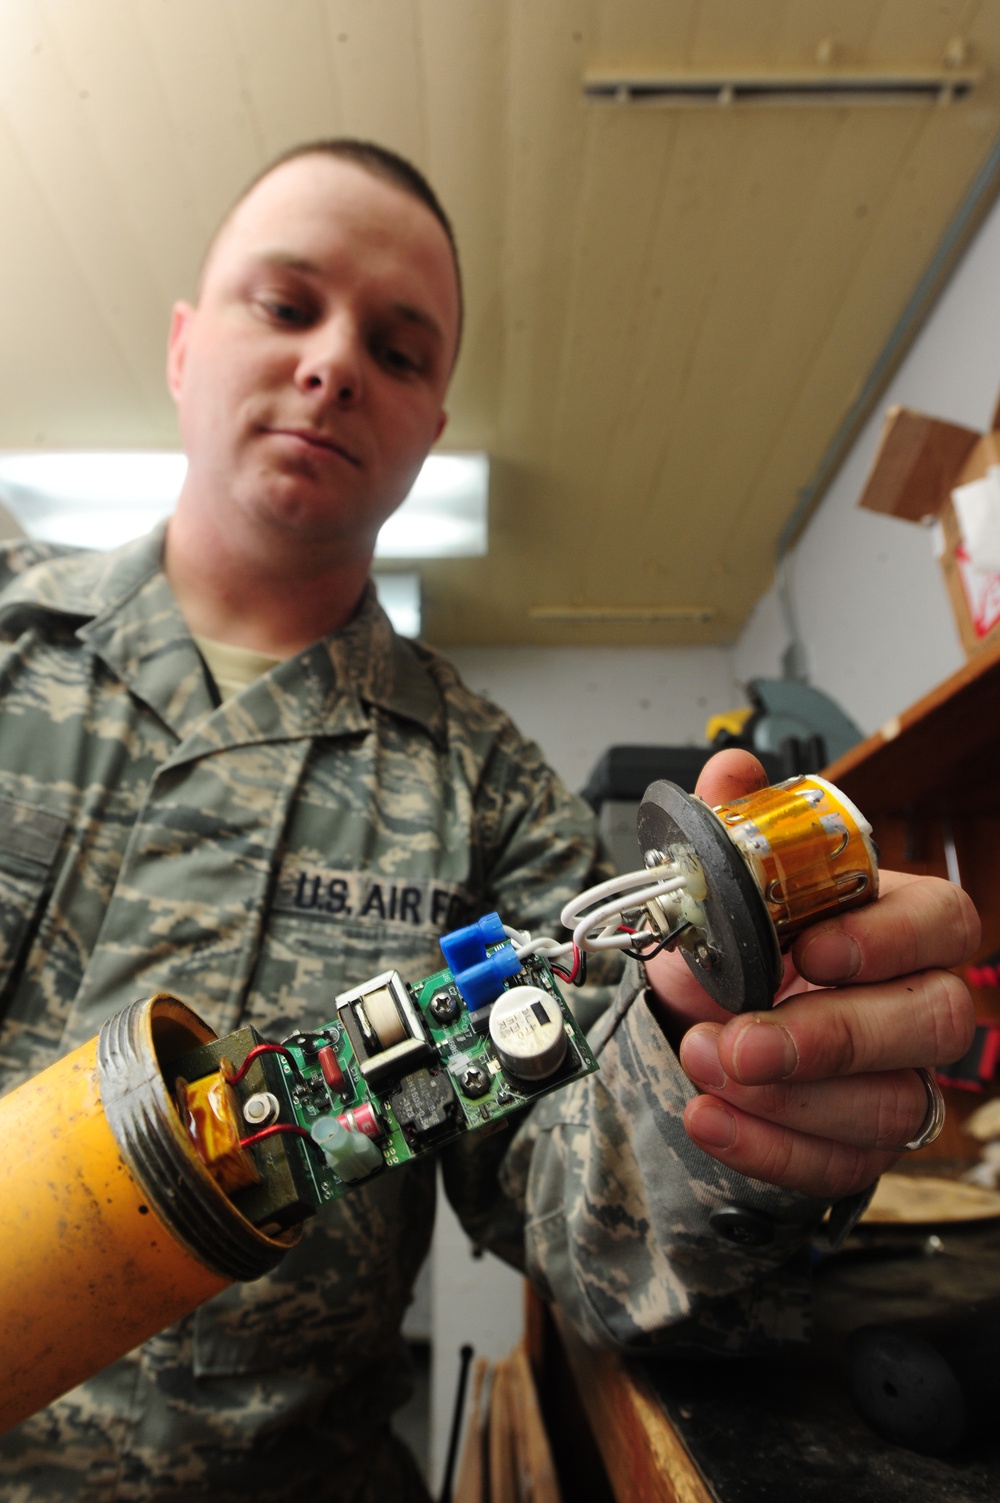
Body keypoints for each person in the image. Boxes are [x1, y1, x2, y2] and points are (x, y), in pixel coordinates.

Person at [0, 140, 977, 1501]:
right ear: (182, 346)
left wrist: (729, 1077)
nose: (333, 365)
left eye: (399, 353)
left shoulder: (487, 788)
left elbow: (594, 1223)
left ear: (431, 427)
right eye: (286, 308)